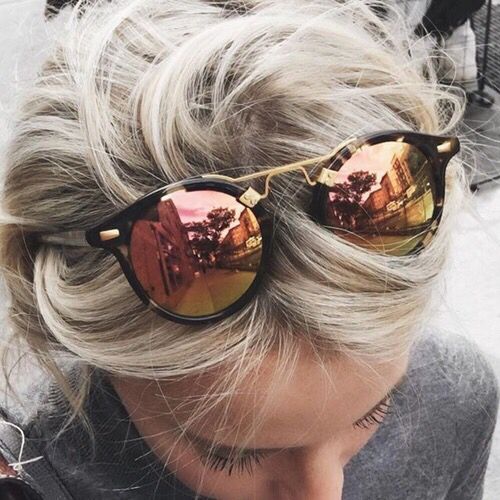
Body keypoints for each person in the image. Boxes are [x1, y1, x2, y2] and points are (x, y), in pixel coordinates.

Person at [0, 1, 498, 499]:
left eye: (374, 412)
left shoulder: (453, 401)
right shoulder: (33, 467)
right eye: (232, 455)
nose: (324, 494)